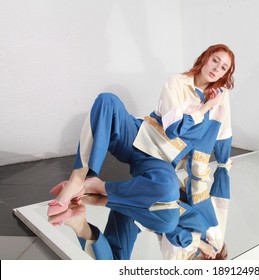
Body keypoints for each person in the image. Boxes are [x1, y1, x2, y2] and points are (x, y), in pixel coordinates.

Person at [47, 43, 236, 253]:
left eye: (223, 68)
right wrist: (205, 108)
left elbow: (223, 134)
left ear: (225, 75)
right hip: (138, 135)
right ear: (205, 58)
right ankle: (78, 180)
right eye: (215, 60)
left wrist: (224, 160)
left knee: (168, 192)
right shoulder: (178, 82)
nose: (216, 69)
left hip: (158, 162)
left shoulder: (218, 102)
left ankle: (87, 213)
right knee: (107, 101)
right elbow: (174, 128)